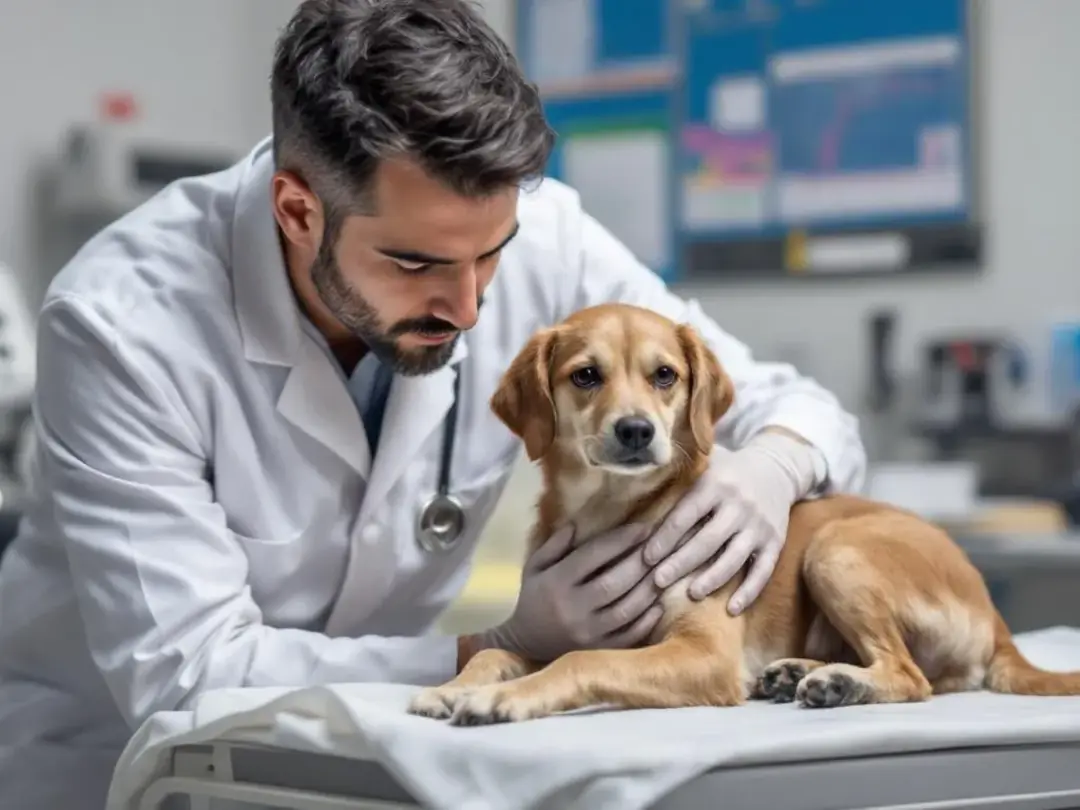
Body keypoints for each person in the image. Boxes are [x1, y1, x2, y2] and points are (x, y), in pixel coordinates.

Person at [0, 0, 866, 806]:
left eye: (492, 255)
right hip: (129, 771)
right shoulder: (122, 327)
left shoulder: (542, 238)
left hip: (384, 755)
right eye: (416, 265)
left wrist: (772, 467)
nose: (471, 305)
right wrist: (498, 647)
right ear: (298, 213)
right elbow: (190, 673)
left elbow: (801, 410)